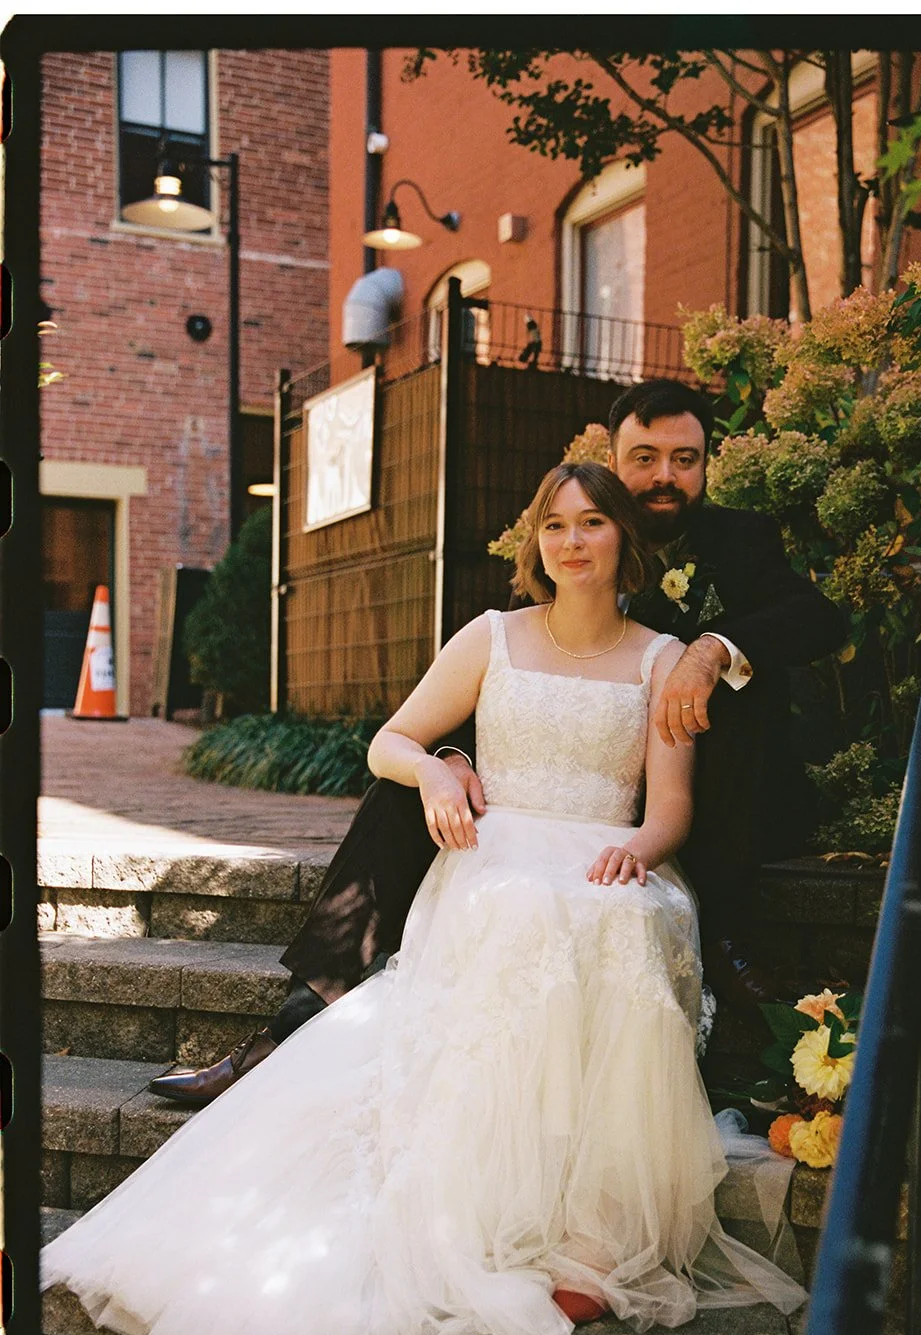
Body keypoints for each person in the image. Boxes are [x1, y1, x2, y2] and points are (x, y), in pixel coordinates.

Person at [43, 463, 806, 1335]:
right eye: (553, 527)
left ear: (625, 540)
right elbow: (391, 740)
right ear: (535, 543)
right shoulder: (489, 637)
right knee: (523, 911)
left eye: (592, 525)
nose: (571, 543)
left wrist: (637, 850)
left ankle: (589, 1233)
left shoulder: (661, 658)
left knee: (615, 919)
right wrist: (439, 777)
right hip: (493, 855)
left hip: (607, 857)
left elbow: (671, 811)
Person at [150, 379, 845, 1107]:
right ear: (610, 458)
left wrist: (710, 651)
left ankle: (724, 934)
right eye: (645, 458)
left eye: (685, 458)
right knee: (401, 791)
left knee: (741, 684)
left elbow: (814, 619)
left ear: (707, 464)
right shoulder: (555, 563)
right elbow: (514, 694)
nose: (665, 476)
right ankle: (295, 1023)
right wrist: (444, 764)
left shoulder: (738, 540)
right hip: (548, 792)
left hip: (689, 791)